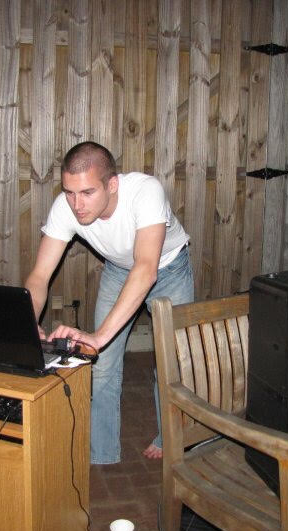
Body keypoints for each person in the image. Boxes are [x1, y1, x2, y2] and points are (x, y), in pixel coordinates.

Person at [24, 141, 193, 465]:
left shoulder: (146, 191)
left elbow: (146, 269)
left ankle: (170, 440)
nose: (77, 204)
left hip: (168, 268)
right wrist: (27, 322)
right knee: (101, 365)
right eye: (70, 192)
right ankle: (101, 454)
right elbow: (39, 276)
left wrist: (99, 335)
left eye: (87, 192)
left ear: (112, 184)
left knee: (171, 364)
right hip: (119, 270)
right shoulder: (65, 207)